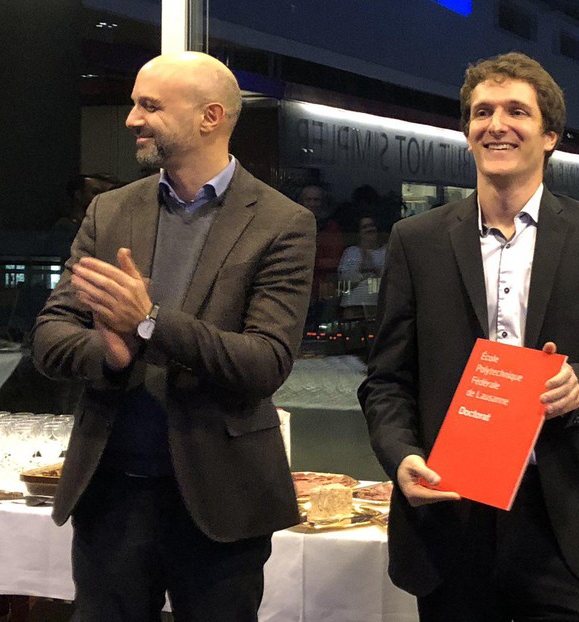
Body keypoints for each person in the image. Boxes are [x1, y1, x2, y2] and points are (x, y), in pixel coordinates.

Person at [358, 52, 579, 621]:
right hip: (448, 513)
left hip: (561, 519)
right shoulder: (416, 241)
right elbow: (386, 381)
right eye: (482, 111)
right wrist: (401, 456)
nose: (496, 124)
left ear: (550, 137)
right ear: (467, 132)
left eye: (517, 111)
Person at [31, 51, 316, 621]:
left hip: (222, 503)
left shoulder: (281, 223)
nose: (131, 118)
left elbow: (265, 362)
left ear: (210, 117)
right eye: (135, 103)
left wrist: (150, 320)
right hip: (110, 496)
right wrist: (107, 354)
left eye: (149, 105)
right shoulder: (108, 212)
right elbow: (49, 335)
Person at [296, 182, 344, 311]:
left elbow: (336, 261)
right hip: (297, 289)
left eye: (316, 200)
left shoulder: (331, 228)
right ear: (301, 202)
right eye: (309, 200)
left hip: (324, 290)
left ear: (322, 203)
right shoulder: (291, 225)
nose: (312, 204)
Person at [337, 215, 385, 321]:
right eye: (365, 227)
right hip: (353, 306)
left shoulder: (386, 252)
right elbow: (345, 283)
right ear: (359, 233)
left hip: (378, 307)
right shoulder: (351, 252)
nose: (370, 229)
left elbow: (388, 280)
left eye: (372, 225)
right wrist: (364, 269)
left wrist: (373, 270)